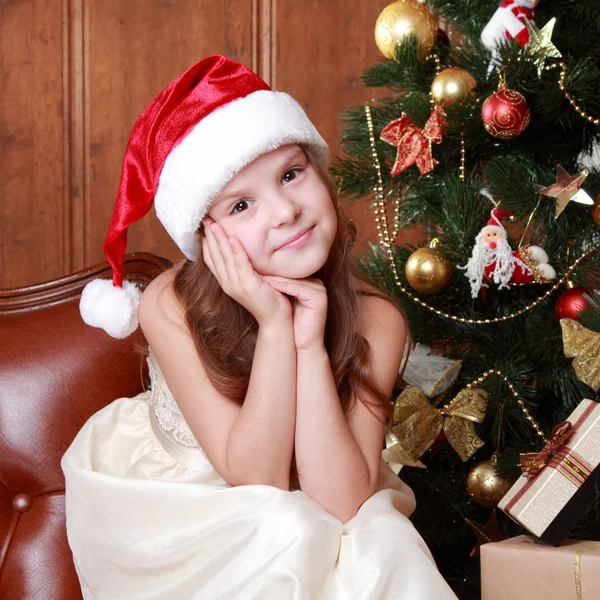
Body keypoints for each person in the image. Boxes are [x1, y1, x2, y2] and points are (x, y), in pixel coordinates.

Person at [62, 55, 458, 599]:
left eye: (292, 174)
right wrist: (274, 326)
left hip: (319, 498)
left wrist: (308, 346)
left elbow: (342, 501)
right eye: (242, 204)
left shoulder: (378, 319)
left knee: (383, 540)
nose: (284, 212)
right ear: (209, 237)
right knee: (284, 530)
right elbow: (257, 477)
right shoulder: (170, 304)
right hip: (183, 506)